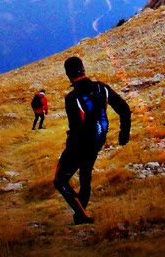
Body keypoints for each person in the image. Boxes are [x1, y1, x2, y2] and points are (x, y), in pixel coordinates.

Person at [53, 55, 131, 225]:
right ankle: (80, 216)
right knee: (85, 175)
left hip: (79, 145)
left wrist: (69, 149)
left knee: (60, 181)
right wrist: (123, 135)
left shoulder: (72, 98)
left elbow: (76, 128)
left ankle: (83, 216)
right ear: (84, 69)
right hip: (98, 140)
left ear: (68, 74)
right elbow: (124, 110)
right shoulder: (102, 88)